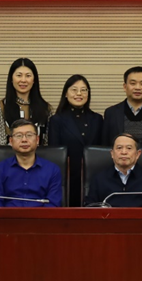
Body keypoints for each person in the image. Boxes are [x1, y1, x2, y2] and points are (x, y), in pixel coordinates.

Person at [48, 74, 103, 206]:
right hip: (67, 178)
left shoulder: (97, 119)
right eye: (74, 90)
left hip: (93, 178)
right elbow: (54, 155)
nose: (79, 93)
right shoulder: (56, 120)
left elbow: (102, 151)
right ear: (66, 94)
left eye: (84, 90)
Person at [0, 119, 63, 207]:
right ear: (11, 141)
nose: (24, 140)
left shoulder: (52, 170)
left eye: (29, 135)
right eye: (19, 136)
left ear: (37, 140)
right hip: (8, 215)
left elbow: (53, 205)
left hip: (41, 216)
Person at [84, 133, 142, 207]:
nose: (124, 152)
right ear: (112, 153)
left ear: (138, 154)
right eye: (119, 148)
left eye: (129, 148)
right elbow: (89, 210)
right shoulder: (99, 179)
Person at [0, 58, 54, 146]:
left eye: (28, 76)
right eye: (19, 75)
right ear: (11, 79)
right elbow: (0, 144)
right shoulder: (2, 106)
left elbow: (47, 144)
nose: (23, 80)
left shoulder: (46, 108)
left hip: (39, 154)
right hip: (10, 154)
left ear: (34, 80)